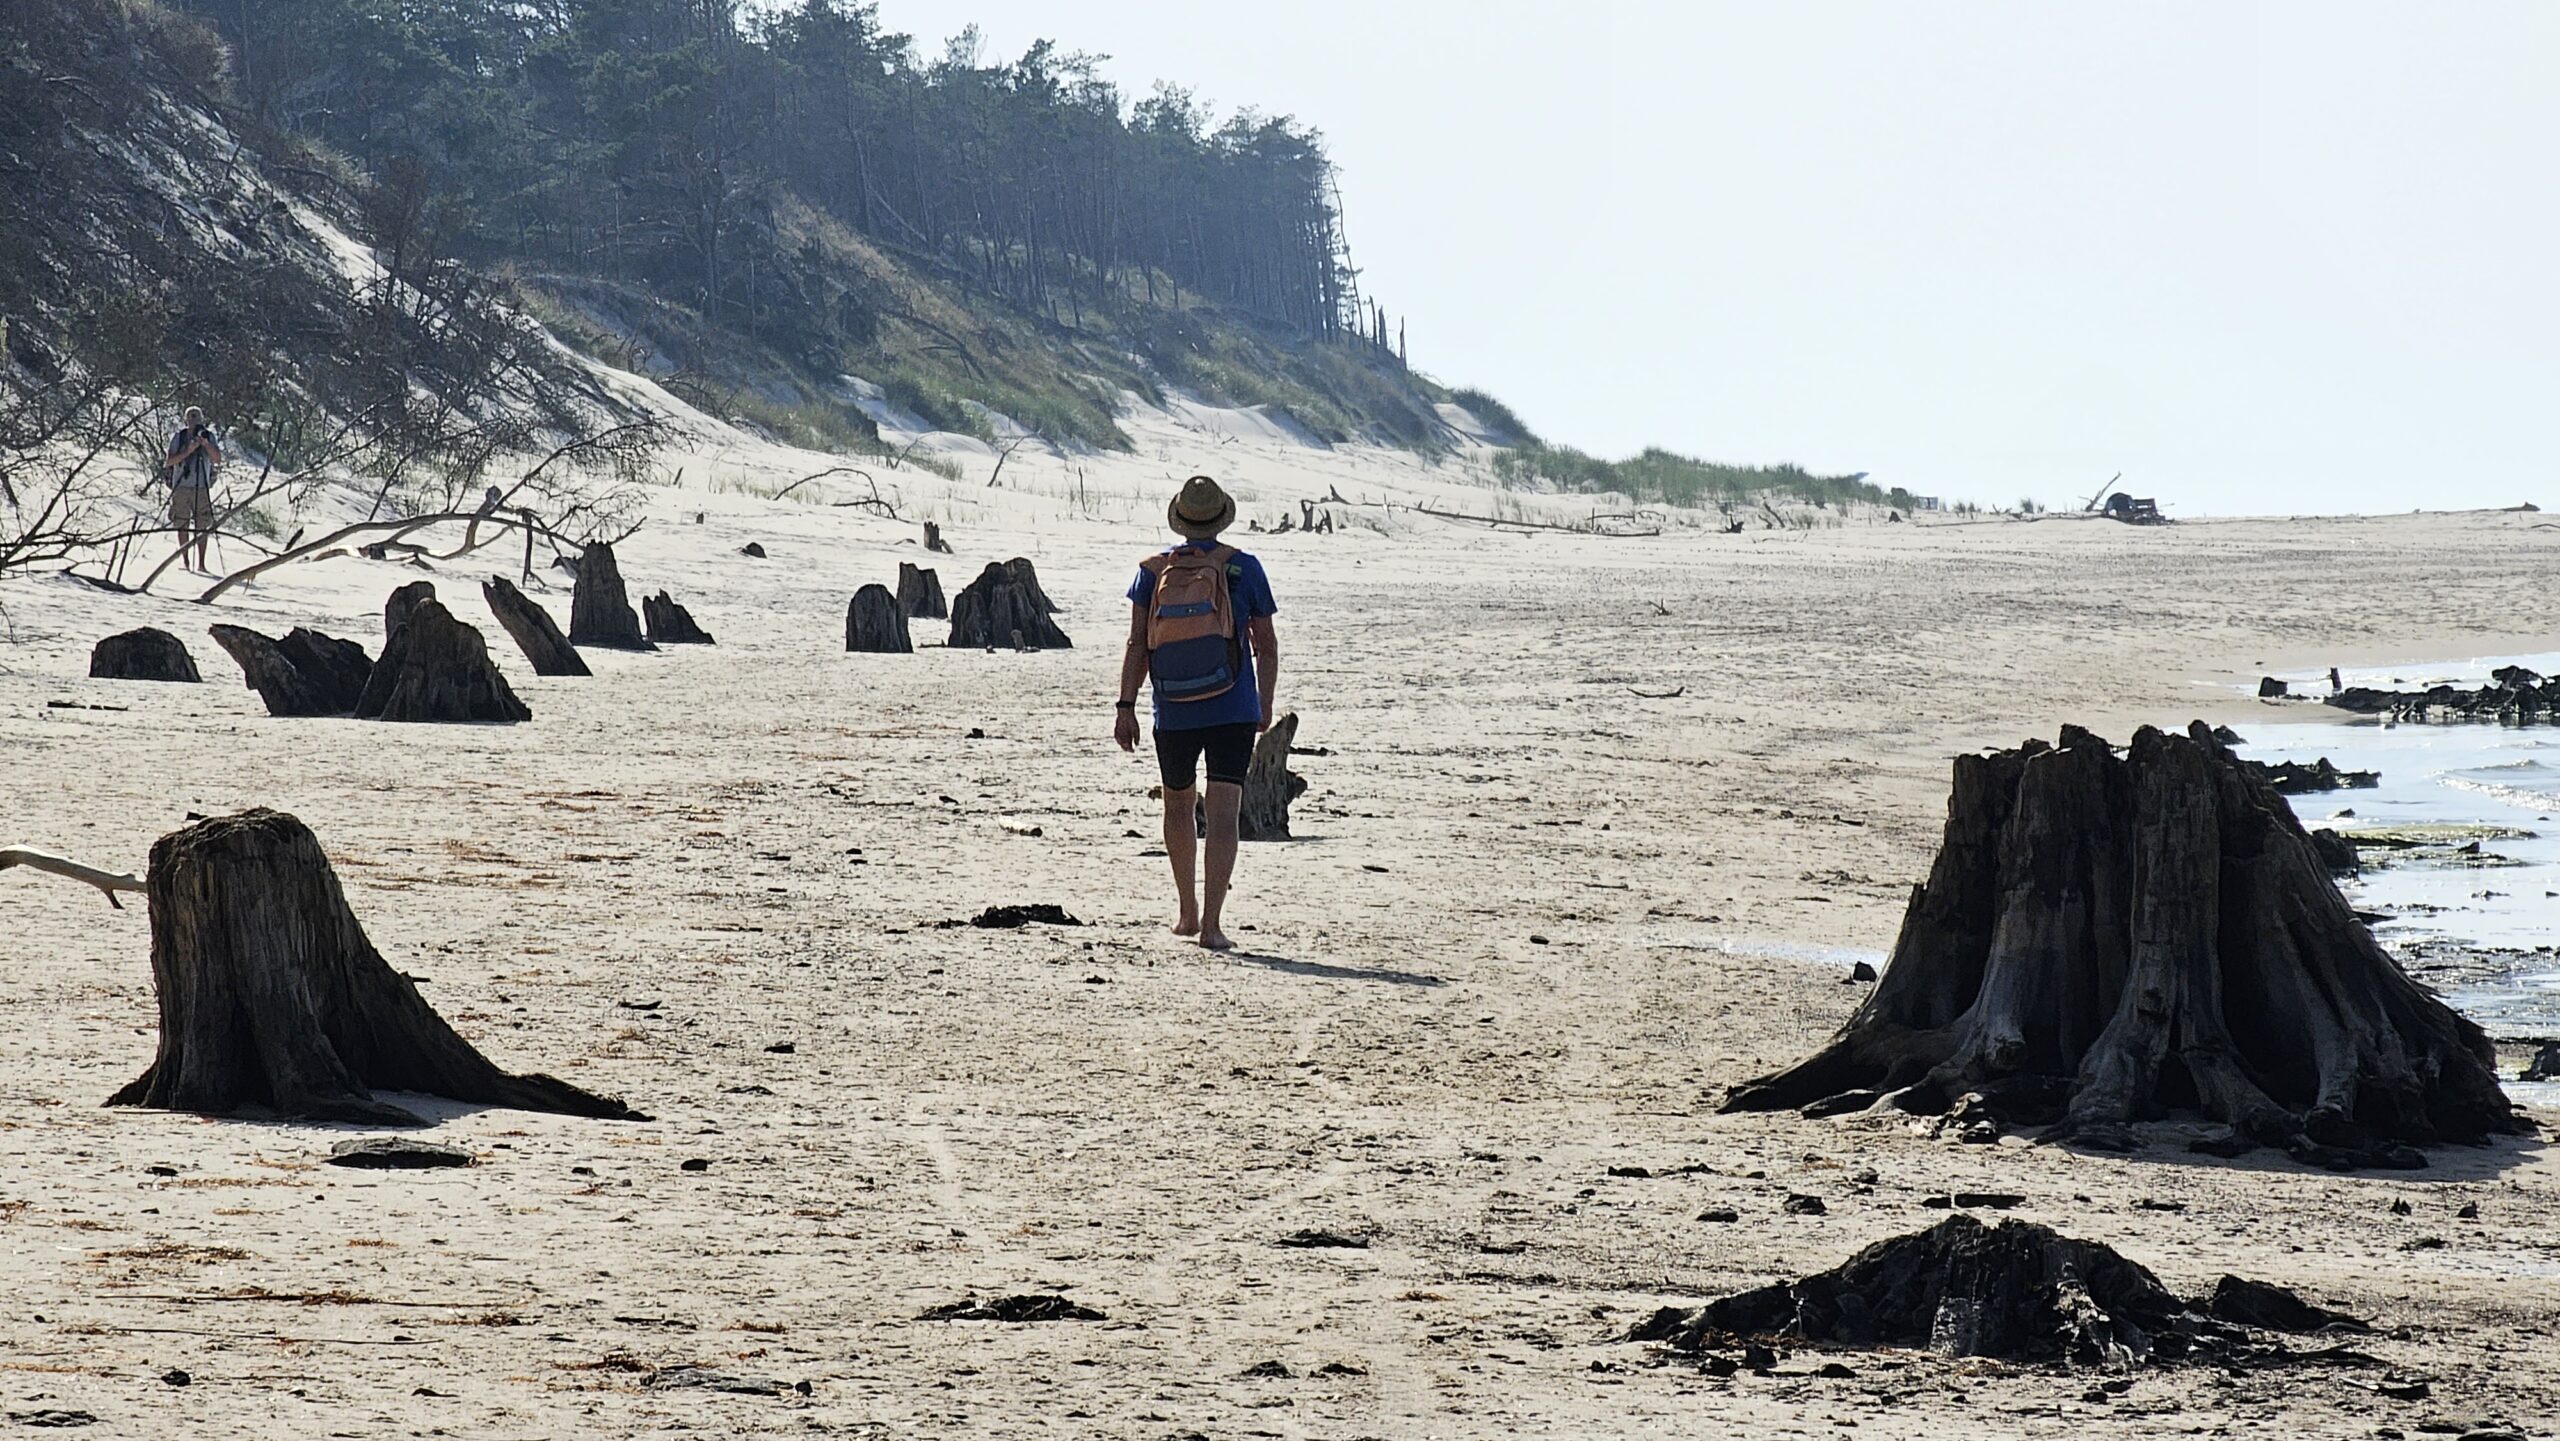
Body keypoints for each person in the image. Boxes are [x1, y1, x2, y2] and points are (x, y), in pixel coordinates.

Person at [1114, 475, 1280, 951]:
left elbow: (1137, 644)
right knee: (1224, 813)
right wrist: (1263, 703)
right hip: (1232, 706)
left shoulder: (1152, 571)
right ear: (1221, 517)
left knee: (1178, 805)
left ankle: (1185, 912)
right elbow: (1265, 645)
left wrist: (1126, 706)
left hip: (1174, 706)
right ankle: (1212, 924)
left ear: (1181, 519)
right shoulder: (1243, 568)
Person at [164, 406, 222, 571]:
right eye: (190, 417)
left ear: (201, 419)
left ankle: (202, 563)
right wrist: (188, 451)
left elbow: (217, 459)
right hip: (181, 487)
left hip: (201, 487)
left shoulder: (208, 436)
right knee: (182, 524)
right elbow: (169, 461)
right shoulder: (179, 437)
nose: (193, 420)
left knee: (201, 525)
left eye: (196, 417)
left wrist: (205, 444)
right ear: (185, 419)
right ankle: (186, 561)